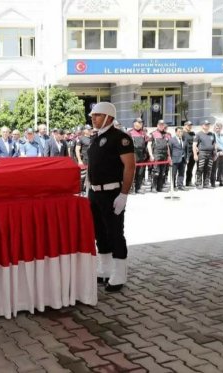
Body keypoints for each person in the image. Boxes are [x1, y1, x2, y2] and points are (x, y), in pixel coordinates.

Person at [86, 102, 135, 292]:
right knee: (99, 232)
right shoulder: (95, 138)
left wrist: (124, 194)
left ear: (109, 117)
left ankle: (119, 273)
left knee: (115, 232)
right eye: (92, 116)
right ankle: (104, 268)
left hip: (112, 192)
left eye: (97, 115)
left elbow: (130, 166)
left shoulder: (120, 138)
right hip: (95, 192)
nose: (93, 118)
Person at [147, 120, 171, 193]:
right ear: (157, 125)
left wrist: (169, 156)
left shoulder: (167, 134)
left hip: (164, 155)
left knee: (162, 172)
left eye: (162, 125)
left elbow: (168, 146)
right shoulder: (153, 134)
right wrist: (151, 155)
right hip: (156, 154)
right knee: (156, 172)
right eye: (160, 124)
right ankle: (153, 187)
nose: (161, 126)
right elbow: (149, 145)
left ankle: (159, 187)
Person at [127, 118, 149, 194]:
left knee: (140, 173)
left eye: (141, 123)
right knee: (132, 173)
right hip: (133, 155)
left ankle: (138, 188)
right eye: (139, 122)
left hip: (142, 156)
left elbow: (147, 143)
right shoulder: (129, 133)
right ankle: (130, 189)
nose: (140, 124)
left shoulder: (143, 133)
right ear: (134, 123)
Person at [193, 120, 216, 189]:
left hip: (210, 154)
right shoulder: (198, 134)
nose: (207, 126)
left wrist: (215, 154)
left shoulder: (212, 134)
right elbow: (194, 145)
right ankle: (198, 183)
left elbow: (214, 144)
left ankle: (206, 183)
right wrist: (195, 155)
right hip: (202, 153)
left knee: (208, 169)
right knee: (200, 169)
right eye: (206, 125)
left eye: (208, 124)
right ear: (202, 125)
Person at [211, 122, 223, 187]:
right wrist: (221, 150)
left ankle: (221, 181)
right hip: (216, 153)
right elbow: (215, 145)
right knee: (214, 168)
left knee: (222, 168)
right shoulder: (212, 135)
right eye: (216, 128)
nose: (217, 129)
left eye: (219, 128)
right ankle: (212, 182)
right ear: (214, 128)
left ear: (221, 128)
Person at [183, 121, 196, 187]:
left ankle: (188, 182)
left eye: (191, 125)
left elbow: (195, 142)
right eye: (188, 125)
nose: (190, 126)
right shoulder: (182, 133)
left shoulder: (192, 133)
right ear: (185, 125)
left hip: (192, 153)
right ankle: (179, 183)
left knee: (190, 169)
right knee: (182, 169)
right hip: (185, 153)